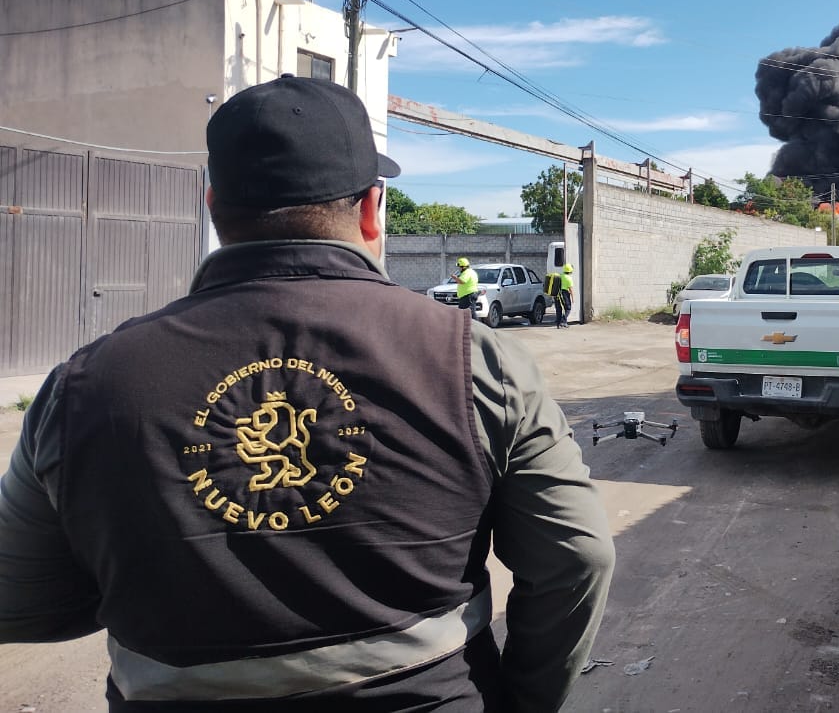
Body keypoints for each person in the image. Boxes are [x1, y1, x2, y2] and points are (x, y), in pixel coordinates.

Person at [0, 76, 614, 712]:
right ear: (372, 208)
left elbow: (19, 602)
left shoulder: (84, 386)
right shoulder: (476, 359)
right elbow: (579, 557)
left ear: (213, 205)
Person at [554, 262, 575, 329]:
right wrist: (573, 298)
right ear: (570, 270)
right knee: (568, 308)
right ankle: (563, 321)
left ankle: (559, 324)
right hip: (564, 294)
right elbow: (571, 289)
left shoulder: (560, 275)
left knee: (559, 310)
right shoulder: (569, 278)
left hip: (557, 294)